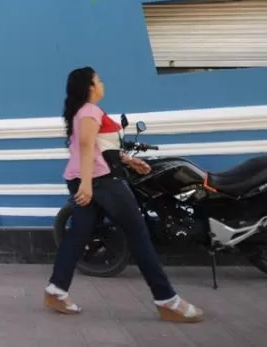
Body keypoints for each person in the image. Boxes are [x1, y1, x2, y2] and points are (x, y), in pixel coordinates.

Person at [43, 66, 204, 323]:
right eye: (99, 80)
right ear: (90, 87)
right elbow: (85, 147)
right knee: (139, 235)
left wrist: (128, 160)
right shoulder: (90, 111)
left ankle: (56, 290)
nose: (102, 83)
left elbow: (98, 146)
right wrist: (87, 184)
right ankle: (167, 301)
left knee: (78, 235)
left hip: (89, 178)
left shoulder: (81, 113)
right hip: (102, 182)